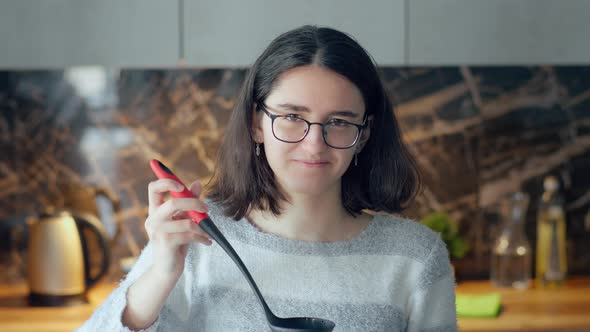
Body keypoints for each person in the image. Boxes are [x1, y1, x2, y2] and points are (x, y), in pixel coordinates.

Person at [78, 25, 457, 332]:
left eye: (339, 122)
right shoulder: (195, 242)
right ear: (256, 123)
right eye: (292, 117)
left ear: (365, 134)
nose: (314, 145)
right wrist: (161, 274)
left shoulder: (417, 258)